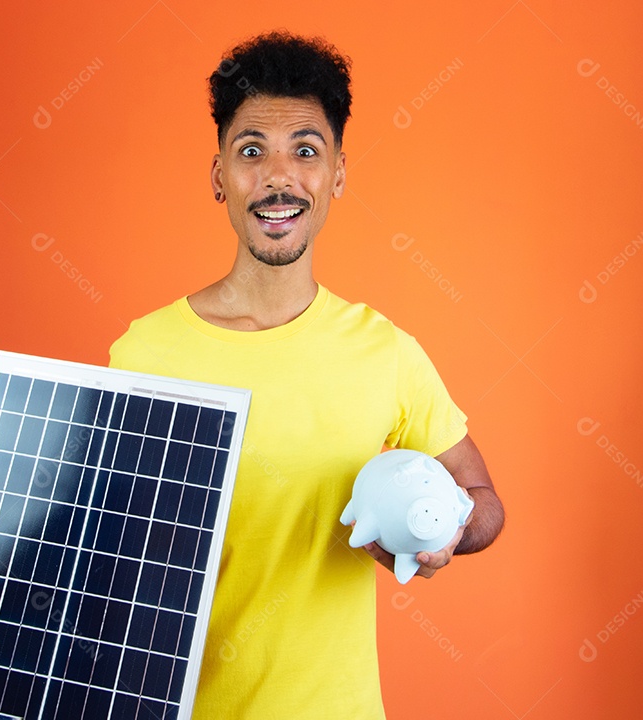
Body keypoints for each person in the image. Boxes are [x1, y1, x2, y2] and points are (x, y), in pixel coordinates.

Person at [108, 31, 504, 718]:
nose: (278, 177)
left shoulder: (385, 351)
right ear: (218, 176)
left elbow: (482, 497)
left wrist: (446, 535)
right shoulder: (144, 352)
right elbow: (96, 538)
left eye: (306, 151)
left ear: (338, 174)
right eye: (251, 150)